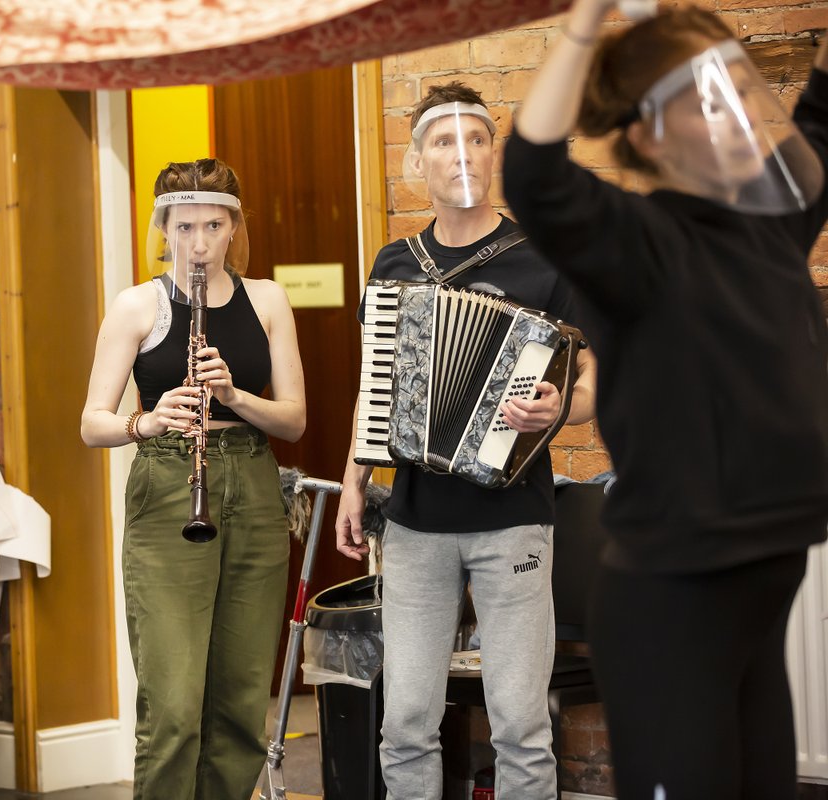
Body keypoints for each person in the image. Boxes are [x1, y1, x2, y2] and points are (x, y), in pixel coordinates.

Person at [504, 4, 828, 798]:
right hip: (672, 602)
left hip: (759, 579)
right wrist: (589, 21)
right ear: (649, 135)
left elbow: (825, 117)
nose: (742, 110)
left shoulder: (771, 225)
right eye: (706, 97)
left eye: (740, 87)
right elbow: (535, 173)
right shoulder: (635, 244)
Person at [335, 82, 597, 799]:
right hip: (417, 520)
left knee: (519, 721)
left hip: (515, 521)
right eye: (445, 142)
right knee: (408, 717)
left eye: (475, 140)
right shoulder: (394, 265)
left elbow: (595, 376)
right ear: (419, 161)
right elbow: (375, 387)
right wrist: (355, 482)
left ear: (492, 154)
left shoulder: (540, 260)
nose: (462, 155)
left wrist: (559, 407)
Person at [80, 158, 306, 800]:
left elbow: (293, 420)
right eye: (184, 228)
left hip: (255, 485)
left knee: (239, 700)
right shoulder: (137, 305)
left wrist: (234, 395)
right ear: (164, 229)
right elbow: (92, 422)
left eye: (213, 225)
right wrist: (145, 424)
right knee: (175, 706)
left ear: (234, 226)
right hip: (170, 479)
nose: (200, 244)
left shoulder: (267, 299)